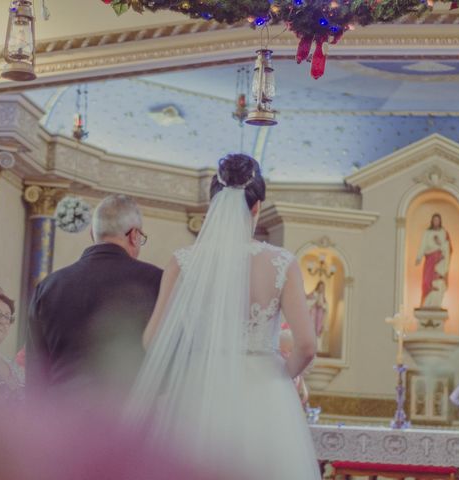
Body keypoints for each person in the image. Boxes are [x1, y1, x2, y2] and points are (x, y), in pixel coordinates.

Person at [126, 154, 320, 479]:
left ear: (213, 204)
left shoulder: (183, 261)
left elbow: (152, 341)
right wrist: (281, 375)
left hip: (198, 389)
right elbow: (307, 346)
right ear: (257, 207)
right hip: (263, 392)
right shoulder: (281, 262)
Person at [27, 194, 163, 396]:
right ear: (134, 235)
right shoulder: (157, 281)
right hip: (126, 418)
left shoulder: (48, 286)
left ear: (92, 233)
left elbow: (36, 373)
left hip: (58, 417)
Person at [415, 213, 452, 309]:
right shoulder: (427, 233)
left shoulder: (444, 232)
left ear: (440, 221)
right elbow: (422, 245)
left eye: (438, 220)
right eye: (434, 220)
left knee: (438, 280)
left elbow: (448, 248)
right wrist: (419, 257)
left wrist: (440, 243)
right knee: (426, 281)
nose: (436, 222)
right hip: (429, 259)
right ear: (432, 221)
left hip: (440, 260)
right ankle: (425, 302)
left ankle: (435, 303)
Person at [306, 280, 329, 352]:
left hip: (320, 317)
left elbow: (326, 307)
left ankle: (318, 348)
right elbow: (307, 302)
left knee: (319, 331)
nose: (321, 289)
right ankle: (310, 347)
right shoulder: (313, 294)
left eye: (323, 287)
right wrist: (315, 302)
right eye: (320, 287)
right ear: (318, 287)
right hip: (313, 315)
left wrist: (323, 306)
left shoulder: (323, 297)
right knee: (311, 331)